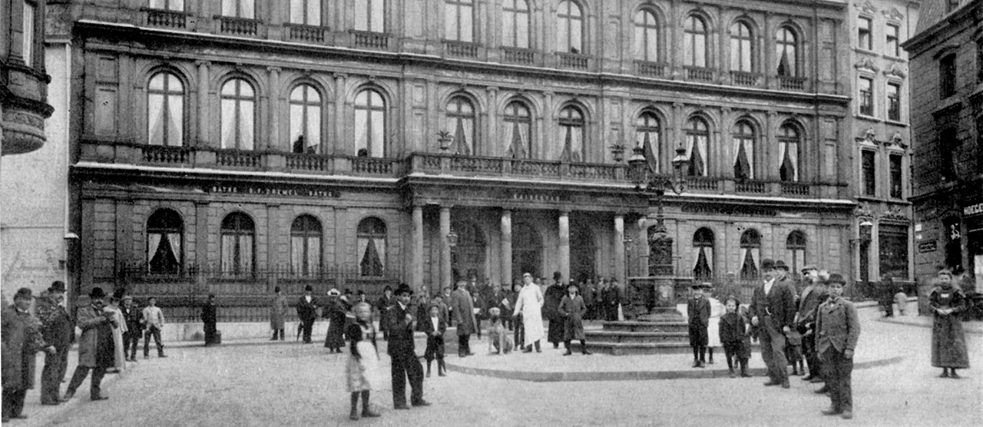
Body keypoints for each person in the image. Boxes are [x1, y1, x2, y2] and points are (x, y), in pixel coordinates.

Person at [2, 288, 56, 421]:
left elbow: (36, 336)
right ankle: (4, 413)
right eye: (24, 299)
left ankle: (17, 411)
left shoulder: (30, 317)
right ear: (16, 300)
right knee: (11, 383)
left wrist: (45, 346)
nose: (27, 302)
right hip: (12, 355)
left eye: (29, 300)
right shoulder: (7, 314)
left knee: (24, 383)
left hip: (28, 354)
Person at [815, 273, 860, 420]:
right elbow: (818, 329)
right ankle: (835, 405)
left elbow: (854, 329)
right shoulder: (822, 307)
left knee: (844, 378)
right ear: (827, 289)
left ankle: (847, 407)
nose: (835, 290)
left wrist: (850, 348)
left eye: (838, 287)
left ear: (842, 290)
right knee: (831, 378)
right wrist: (818, 348)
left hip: (842, 348)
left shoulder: (848, 306)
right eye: (832, 287)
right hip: (827, 347)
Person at [749, 259, 796, 388]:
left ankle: (784, 378)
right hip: (762, 324)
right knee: (766, 353)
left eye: (770, 270)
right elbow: (752, 306)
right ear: (761, 272)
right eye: (765, 271)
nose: (767, 273)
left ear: (775, 272)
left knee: (778, 351)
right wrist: (753, 317)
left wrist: (787, 324)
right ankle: (774, 377)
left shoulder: (783, 287)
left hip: (777, 324)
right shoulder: (758, 288)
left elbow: (790, 307)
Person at [65, 287, 116, 401]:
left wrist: (112, 319)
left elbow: (115, 326)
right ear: (91, 299)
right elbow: (82, 324)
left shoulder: (105, 310)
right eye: (96, 298)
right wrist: (100, 319)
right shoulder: (84, 310)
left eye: (101, 298)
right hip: (90, 344)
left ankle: (95, 393)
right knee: (83, 369)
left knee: (100, 370)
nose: (99, 301)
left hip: (103, 344)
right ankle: (70, 391)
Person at [385, 284, 429, 409]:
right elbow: (393, 329)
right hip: (397, 348)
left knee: (417, 370)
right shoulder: (392, 310)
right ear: (398, 296)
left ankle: (417, 398)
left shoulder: (408, 309)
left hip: (408, 347)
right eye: (404, 296)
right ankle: (399, 402)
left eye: (408, 296)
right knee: (398, 375)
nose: (406, 298)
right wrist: (406, 322)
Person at [36, 281, 74, 405]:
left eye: (62, 292)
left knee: (60, 370)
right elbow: (44, 327)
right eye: (57, 292)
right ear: (51, 293)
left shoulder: (60, 307)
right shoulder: (45, 306)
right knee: (51, 370)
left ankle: (55, 395)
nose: (60, 294)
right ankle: (47, 398)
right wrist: (48, 344)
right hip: (53, 345)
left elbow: (66, 324)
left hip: (63, 344)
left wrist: (70, 339)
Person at [929, 269, 970, 378]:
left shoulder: (956, 291)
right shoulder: (936, 292)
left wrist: (951, 310)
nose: (944, 281)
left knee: (954, 344)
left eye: (946, 278)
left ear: (950, 279)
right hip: (940, 322)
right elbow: (930, 304)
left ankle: (954, 370)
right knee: (941, 344)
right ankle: (944, 370)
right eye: (941, 279)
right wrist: (937, 310)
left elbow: (963, 306)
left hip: (953, 323)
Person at [345, 302, 382, 421]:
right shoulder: (355, 326)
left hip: (369, 354)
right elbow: (353, 344)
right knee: (357, 382)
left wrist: (376, 355)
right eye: (360, 312)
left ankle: (365, 409)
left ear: (370, 313)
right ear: (356, 313)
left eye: (366, 311)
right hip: (359, 355)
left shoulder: (371, 326)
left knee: (367, 382)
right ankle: (353, 410)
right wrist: (356, 355)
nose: (363, 314)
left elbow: (374, 341)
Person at [795, 265, 828, 382]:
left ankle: (819, 374)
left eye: (808, 273)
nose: (806, 276)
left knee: (814, 348)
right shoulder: (807, 287)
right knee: (806, 348)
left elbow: (819, 306)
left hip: (813, 321)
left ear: (815, 272)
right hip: (803, 320)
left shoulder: (821, 287)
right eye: (804, 274)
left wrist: (812, 320)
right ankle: (812, 372)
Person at [719, 296, 750, 378]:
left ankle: (744, 371)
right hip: (728, 339)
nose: (731, 308)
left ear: (736, 307)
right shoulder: (723, 318)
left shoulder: (739, 317)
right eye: (729, 306)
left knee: (741, 355)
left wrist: (741, 336)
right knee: (729, 355)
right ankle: (731, 370)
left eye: (733, 306)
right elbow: (721, 329)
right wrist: (722, 339)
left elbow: (743, 327)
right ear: (726, 306)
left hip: (738, 339)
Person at [513, 272, 545, 353]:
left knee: (536, 329)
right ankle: (529, 347)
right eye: (525, 279)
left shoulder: (536, 288)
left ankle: (538, 347)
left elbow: (541, 299)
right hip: (526, 312)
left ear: (531, 279)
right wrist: (516, 312)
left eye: (528, 279)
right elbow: (519, 302)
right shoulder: (523, 290)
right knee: (527, 330)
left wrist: (538, 306)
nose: (526, 280)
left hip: (535, 312)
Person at [558, 283, 590, 356]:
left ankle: (584, 350)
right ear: (568, 289)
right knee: (567, 334)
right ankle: (568, 350)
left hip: (577, 318)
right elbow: (560, 308)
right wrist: (565, 314)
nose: (572, 289)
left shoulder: (579, 298)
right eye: (570, 288)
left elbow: (584, 308)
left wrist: (580, 315)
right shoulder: (565, 298)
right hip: (568, 318)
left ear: (576, 289)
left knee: (580, 334)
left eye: (573, 288)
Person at [687, 283, 711, 368]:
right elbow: (689, 312)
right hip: (693, 324)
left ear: (701, 291)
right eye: (695, 290)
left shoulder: (706, 301)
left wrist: (704, 321)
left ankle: (702, 360)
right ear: (693, 291)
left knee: (702, 343)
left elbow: (708, 313)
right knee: (694, 343)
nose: (697, 292)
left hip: (702, 324)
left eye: (699, 290)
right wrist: (691, 320)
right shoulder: (690, 301)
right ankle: (695, 359)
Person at [451, 281, 477, 357]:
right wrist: (459, 319)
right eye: (461, 284)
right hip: (462, 318)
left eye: (464, 284)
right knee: (462, 335)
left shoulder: (467, 293)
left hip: (469, 317)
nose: (463, 286)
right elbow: (455, 307)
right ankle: (461, 351)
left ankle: (467, 350)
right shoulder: (455, 293)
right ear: (458, 285)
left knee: (467, 334)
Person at [105, 291, 128, 371]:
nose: (116, 303)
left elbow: (122, 320)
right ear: (111, 301)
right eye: (115, 301)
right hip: (110, 330)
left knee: (119, 346)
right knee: (111, 347)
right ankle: (110, 366)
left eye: (118, 301)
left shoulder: (118, 310)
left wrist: (123, 329)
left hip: (117, 331)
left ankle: (119, 365)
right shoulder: (107, 309)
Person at [423, 304, 447, 377]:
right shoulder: (427, 319)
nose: (434, 311)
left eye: (436, 310)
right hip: (431, 339)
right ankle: (428, 370)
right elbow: (425, 328)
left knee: (440, 354)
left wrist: (440, 332)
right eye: (432, 310)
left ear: (438, 311)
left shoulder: (440, 319)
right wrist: (431, 333)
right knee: (429, 355)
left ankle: (440, 371)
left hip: (439, 339)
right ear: (430, 311)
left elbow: (443, 327)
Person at [705, 285, 723, 365]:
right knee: (707, 338)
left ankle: (711, 356)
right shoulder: (702, 301)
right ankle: (705, 357)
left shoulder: (716, 302)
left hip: (715, 320)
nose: (707, 293)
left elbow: (721, 312)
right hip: (706, 321)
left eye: (708, 291)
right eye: (705, 291)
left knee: (713, 339)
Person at [121, 296, 142, 362]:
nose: (128, 301)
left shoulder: (136, 310)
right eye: (126, 300)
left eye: (129, 300)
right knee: (126, 343)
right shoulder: (121, 310)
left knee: (135, 343)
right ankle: (126, 356)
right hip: (125, 329)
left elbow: (140, 318)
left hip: (134, 328)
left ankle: (133, 356)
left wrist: (140, 327)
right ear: (124, 301)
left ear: (131, 301)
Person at [509, 282, 524, 347]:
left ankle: (522, 344)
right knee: (516, 329)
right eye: (515, 286)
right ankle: (516, 344)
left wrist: (522, 310)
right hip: (516, 314)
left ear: (521, 287)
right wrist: (517, 309)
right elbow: (511, 304)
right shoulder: (512, 295)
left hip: (523, 313)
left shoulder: (524, 295)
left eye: (518, 286)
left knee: (523, 329)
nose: (516, 287)